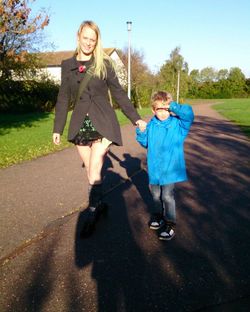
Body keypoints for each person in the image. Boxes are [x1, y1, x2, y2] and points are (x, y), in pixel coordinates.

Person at [53, 20, 146, 236]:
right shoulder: (67, 65)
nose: (88, 43)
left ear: (97, 42)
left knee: (94, 168)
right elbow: (63, 97)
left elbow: (120, 94)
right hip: (80, 124)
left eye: (92, 40)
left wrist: (136, 118)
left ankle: (92, 213)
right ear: (78, 37)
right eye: (85, 38)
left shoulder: (105, 64)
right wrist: (57, 128)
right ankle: (101, 203)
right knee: (92, 174)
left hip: (104, 121)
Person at [136, 91, 194, 241]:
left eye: (166, 109)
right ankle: (158, 216)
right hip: (155, 168)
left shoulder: (178, 124)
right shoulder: (151, 125)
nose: (163, 113)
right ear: (153, 110)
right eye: (159, 109)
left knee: (167, 196)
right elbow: (145, 143)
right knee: (155, 195)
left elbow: (188, 114)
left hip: (170, 169)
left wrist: (172, 105)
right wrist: (141, 132)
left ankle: (170, 223)